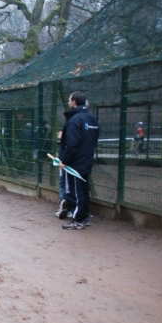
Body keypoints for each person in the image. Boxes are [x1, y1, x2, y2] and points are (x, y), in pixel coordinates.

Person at [59, 91, 99, 230]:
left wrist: (64, 160)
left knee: (76, 191)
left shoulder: (75, 120)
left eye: (70, 100)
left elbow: (72, 144)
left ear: (74, 101)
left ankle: (78, 219)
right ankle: (84, 217)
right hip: (86, 160)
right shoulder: (92, 119)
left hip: (75, 163)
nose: (69, 102)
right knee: (83, 190)